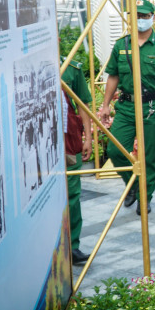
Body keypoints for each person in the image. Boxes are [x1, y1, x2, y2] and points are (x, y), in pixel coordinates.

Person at [99, 0, 155, 215]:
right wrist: (105, 105)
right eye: (137, 16)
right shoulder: (122, 45)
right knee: (115, 148)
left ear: (153, 17)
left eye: (145, 16)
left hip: (152, 106)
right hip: (126, 106)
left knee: (150, 156)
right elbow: (113, 75)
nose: (140, 20)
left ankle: (144, 197)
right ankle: (132, 184)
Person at [60, 55, 93, 265]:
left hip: (67, 139)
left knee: (72, 191)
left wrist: (88, 137)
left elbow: (82, 103)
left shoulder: (71, 67)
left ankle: (72, 247)